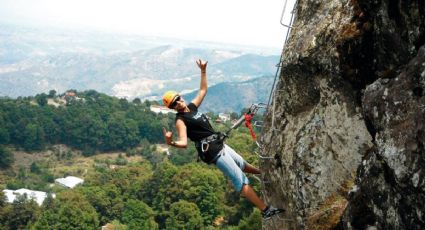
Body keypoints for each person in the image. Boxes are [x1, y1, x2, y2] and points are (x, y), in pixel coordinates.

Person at [162, 59, 284, 220]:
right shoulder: (180, 120)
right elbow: (184, 143)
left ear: (181, 97)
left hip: (219, 144)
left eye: (177, 98)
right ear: (172, 108)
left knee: (242, 164)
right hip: (213, 152)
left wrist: (203, 71)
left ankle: (263, 174)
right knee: (240, 180)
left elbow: (203, 91)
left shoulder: (191, 107)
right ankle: (265, 210)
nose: (178, 102)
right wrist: (170, 142)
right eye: (174, 103)